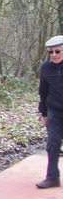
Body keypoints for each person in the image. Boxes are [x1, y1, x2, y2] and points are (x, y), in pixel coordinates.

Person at [36, 35, 63, 189]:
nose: (54, 55)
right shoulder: (46, 67)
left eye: (57, 51)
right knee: (53, 144)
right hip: (55, 111)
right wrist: (44, 113)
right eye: (50, 52)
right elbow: (43, 92)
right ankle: (52, 178)